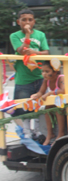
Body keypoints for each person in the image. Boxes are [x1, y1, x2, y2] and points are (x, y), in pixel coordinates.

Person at [10, 9, 49, 141]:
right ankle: (27, 132)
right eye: (24, 20)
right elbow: (21, 51)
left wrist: (35, 53)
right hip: (23, 79)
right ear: (18, 22)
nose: (27, 22)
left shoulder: (40, 35)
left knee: (39, 106)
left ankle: (38, 131)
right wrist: (27, 35)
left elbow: (46, 52)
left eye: (30, 20)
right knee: (24, 107)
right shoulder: (14, 36)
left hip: (39, 77)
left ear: (34, 21)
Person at [30, 60, 68, 145]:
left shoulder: (61, 78)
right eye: (43, 71)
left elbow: (64, 91)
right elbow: (41, 92)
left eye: (47, 71)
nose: (44, 74)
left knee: (58, 109)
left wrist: (50, 93)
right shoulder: (47, 79)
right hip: (60, 100)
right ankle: (50, 134)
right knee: (47, 108)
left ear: (55, 71)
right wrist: (36, 95)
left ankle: (61, 133)